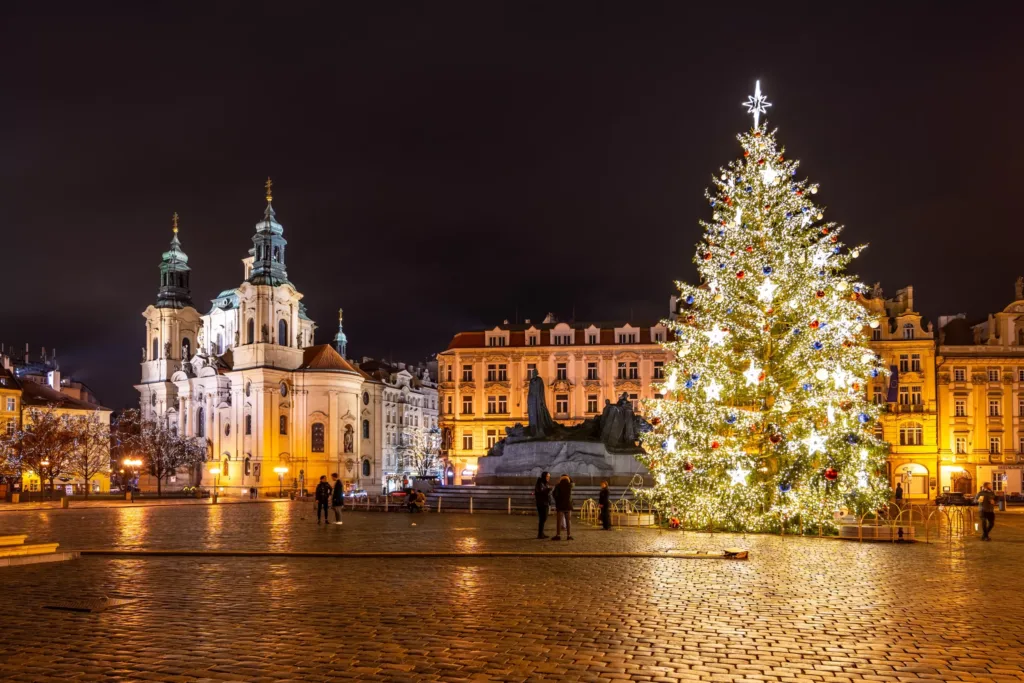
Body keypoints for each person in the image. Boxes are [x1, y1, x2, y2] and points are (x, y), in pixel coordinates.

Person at [551, 474, 574, 541]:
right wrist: (568, 477)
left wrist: (557, 501)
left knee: (559, 521)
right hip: (568, 506)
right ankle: (568, 535)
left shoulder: (558, 486)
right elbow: (572, 482)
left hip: (560, 506)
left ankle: (558, 535)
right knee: (568, 521)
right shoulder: (570, 485)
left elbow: (554, 494)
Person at [534, 472, 551, 539]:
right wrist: (548, 490)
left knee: (543, 519)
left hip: (545, 502)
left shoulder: (543, 483)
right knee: (543, 518)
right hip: (542, 503)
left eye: (549, 477)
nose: (548, 478)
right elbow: (541, 492)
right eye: (547, 476)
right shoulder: (540, 483)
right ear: (544, 476)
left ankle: (541, 533)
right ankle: (540, 534)